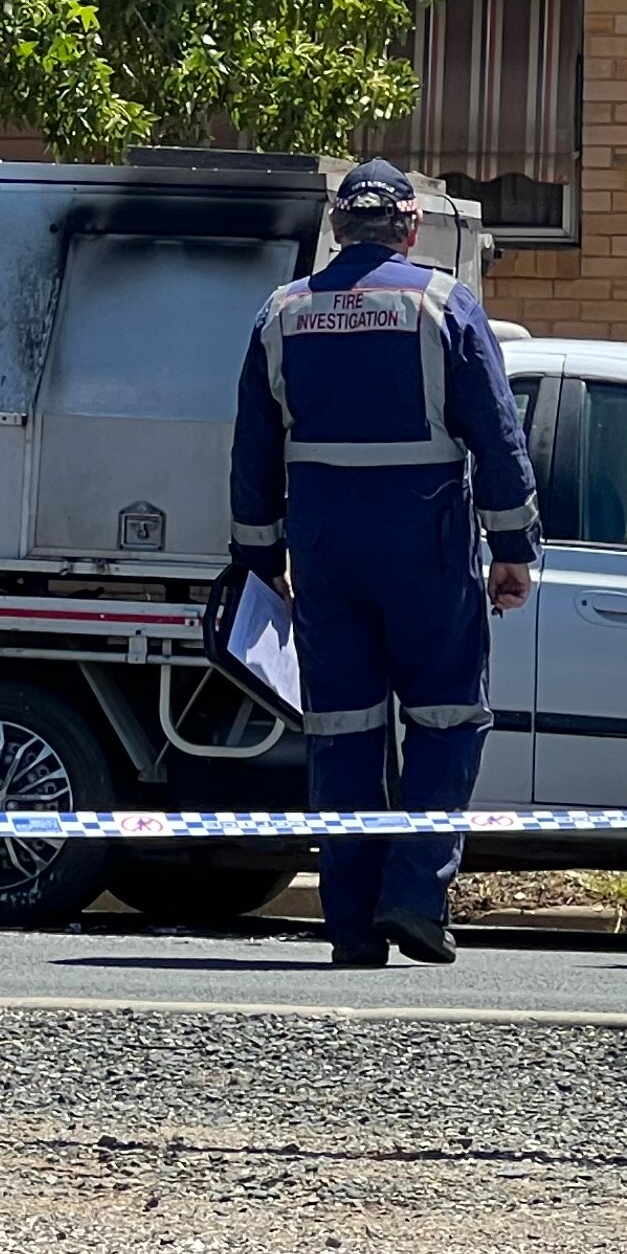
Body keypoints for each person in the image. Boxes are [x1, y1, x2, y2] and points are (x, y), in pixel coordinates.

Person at [228, 158, 540, 966]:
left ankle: (352, 925)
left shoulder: (281, 313)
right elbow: (497, 436)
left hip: (325, 551)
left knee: (343, 733)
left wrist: (260, 556)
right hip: (425, 545)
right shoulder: (444, 305)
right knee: (445, 720)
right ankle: (416, 897)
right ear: (409, 227)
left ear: (338, 229)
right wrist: (513, 550)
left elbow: (252, 453)